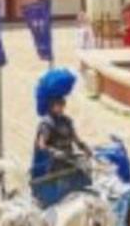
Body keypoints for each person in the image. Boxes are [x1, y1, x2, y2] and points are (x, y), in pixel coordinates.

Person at [30, 68, 92, 207]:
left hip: (69, 158)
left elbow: (76, 139)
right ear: (52, 106)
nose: (61, 108)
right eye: (58, 105)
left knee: (85, 171)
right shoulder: (47, 123)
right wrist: (55, 152)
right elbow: (42, 144)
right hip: (54, 163)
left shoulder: (67, 121)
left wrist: (85, 147)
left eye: (62, 105)